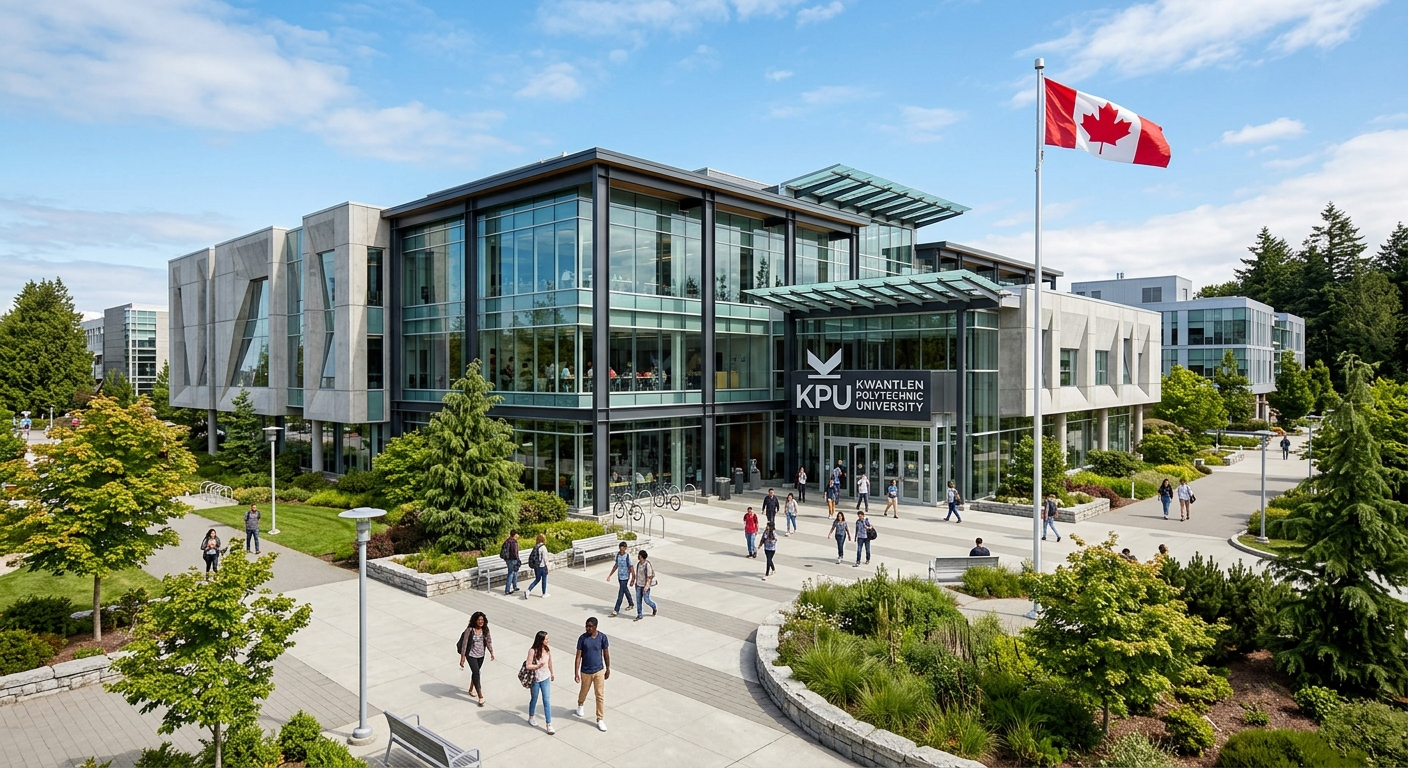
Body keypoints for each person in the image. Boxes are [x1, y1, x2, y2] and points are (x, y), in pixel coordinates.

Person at [574, 617, 610, 731]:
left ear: (595, 627)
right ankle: (580, 704)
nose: (588, 628)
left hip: (599, 670)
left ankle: (600, 719)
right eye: (586, 626)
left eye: (590, 626)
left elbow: (606, 653)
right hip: (586, 671)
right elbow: (578, 656)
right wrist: (576, 672)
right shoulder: (583, 638)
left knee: (599, 695)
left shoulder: (602, 637)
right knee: (584, 691)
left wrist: (608, 668)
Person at [458, 611, 495, 706]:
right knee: (476, 672)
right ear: (475, 621)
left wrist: (491, 652)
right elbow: (464, 644)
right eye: (479, 620)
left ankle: (471, 689)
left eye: (482, 620)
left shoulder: (485, 630)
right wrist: (462, 658)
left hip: (481, 655)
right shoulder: (469, 630)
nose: (481, 621)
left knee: (476, 672)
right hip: (471, 655)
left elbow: (488, 641)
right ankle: (480, 696)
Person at [525, 630, 555, 734]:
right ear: (541, 640)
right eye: (546, 639)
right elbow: (528, 665)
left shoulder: (547, 649)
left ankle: (549, 724)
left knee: (546, 700)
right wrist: (537, 666)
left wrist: (552, 673)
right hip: (536, 679)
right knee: (534, 698)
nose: (548, 640)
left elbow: (550, 661)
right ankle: (531, 717)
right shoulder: (532, 651)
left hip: (545, 677)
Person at [606, 541, 635, 616]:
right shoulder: (618, 555)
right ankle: (631, 603)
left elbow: (631, 567)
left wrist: (633, 578)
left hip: (625, 577)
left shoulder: (627, 556)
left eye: (623, 549)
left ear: (625, 548)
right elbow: (616, 565)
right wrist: (610, 575)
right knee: (625, 590)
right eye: (620, 548)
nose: (621, 550)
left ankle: (616, 609)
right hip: (620, 576)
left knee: (621, 593)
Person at [630, 550, 657, 621]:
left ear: (642, 557)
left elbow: (649, 577)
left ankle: (654, 606)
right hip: (638, 585)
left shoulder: (647, 565)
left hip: (645, 586)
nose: (638, 556)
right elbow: (637, 574)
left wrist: (646, 586)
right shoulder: (639, 564)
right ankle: (639, 614)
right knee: (638, 601)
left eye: (639, 555)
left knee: (646, 600)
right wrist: (633, 581)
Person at [525, 533, 549, 599]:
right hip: (542, 566)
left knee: (537, 579)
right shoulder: (543, 547)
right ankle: (544, 593)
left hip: (536, 566)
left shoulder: (536, 546)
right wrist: (547, 567)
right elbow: (545, 558)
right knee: (544, 579)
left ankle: (528, 590)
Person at [500, 530, 521, 595]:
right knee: (511, 573)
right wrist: (518, 559)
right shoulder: (514, 542)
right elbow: (515, 552)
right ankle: (507, 590)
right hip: (513, 559)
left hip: (508, 560)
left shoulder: (507, 541)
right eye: (517, 534)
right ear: (515, 535)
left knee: (514, 572)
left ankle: (515, 586)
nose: (518, 535)